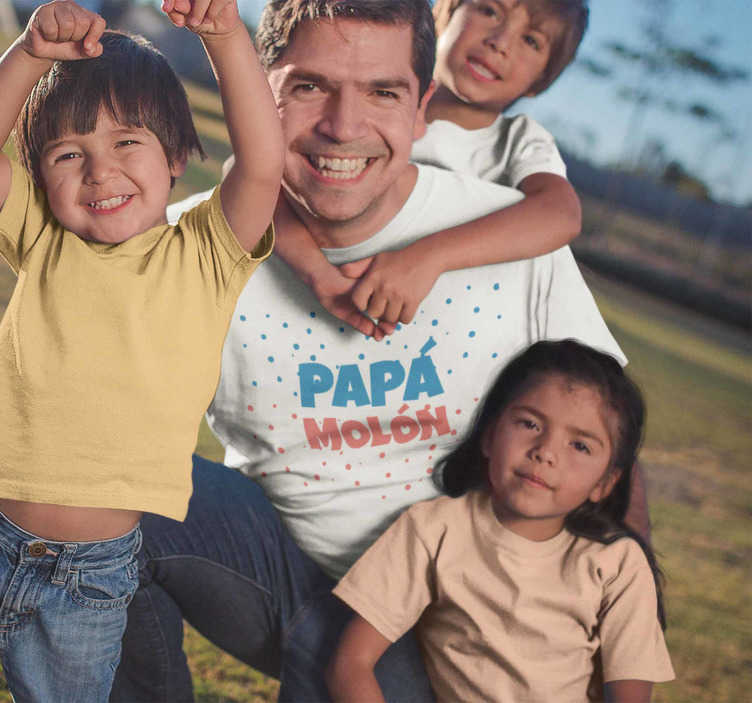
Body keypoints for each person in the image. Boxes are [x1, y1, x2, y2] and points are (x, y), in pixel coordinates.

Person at [112, 1, 649, 700]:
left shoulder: (510, 238)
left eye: (382, 91)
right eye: (308, 86)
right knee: (94, 488)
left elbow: (611, 449)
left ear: (421, 105)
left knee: (354, 656)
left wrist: (628, 648)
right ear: (258, 88)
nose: (343, 125)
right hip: (272, 562)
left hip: (438, 622)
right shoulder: (193, 248)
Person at [0, 0, 281, 698]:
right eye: (69, 153)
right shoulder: (43, 238)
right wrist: (30, 53)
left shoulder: (207, 254)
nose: (100, 171)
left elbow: (264, 162)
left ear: (178, 155)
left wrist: (224, 34)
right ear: (40, 176)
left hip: (90, 578)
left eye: (127, 142)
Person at [328, 339, 675, 702]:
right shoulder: (434, 528)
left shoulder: (618, 565)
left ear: (604, 483)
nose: (545, 452)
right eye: (529, 423)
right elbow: (351, 663)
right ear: (491, 435)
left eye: (580, 445)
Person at [271, 0, 587, 338]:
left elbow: (561, 214)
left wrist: (427, 258)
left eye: (531, 40)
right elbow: (263, 187)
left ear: (542, 80)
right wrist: (319, 275)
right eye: (489, 11)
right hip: (315, 312)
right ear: (444, 15)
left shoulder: (518, 142)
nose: (500, 41)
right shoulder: (363, 118)